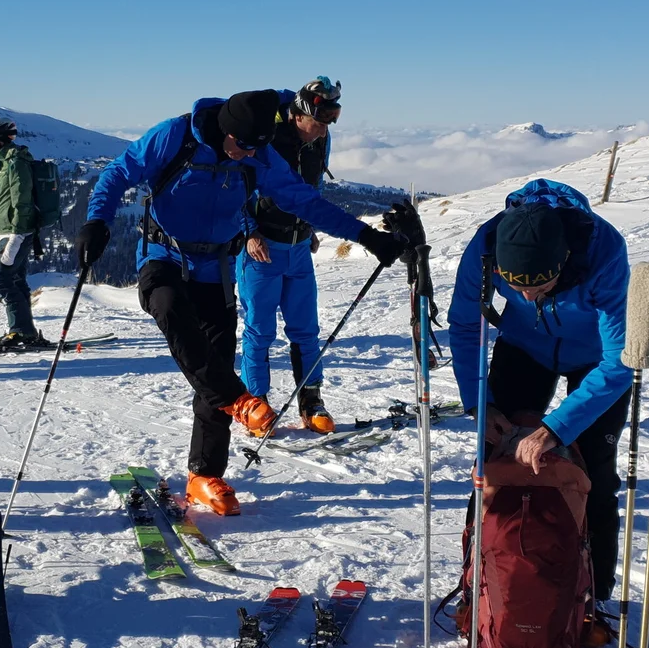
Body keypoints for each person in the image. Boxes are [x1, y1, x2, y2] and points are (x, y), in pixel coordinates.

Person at [78, 89, 406, 516]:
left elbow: (305, 201)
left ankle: (204, 475)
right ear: (224, 129)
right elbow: (118, 172)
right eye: (243, 145)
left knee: (213, 360)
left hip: (216, 267)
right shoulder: (175, 136)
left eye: (256, 147)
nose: (247, 154)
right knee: (170, 310)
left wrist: (366, 235)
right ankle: (240, 400)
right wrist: (97, 221)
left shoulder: (259, 154)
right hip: (164, 255)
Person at [449, 179, 632, 643]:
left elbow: (620, 361)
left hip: (594, 357)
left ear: (563, 262)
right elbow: (465, 323)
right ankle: (481, 583)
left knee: (595, 475)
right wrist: (479, 400)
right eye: (515, 287)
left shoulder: (603, 251)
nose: (527, 297)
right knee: (492, 462)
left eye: (540, 285)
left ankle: (593, 598)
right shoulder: (488, 245)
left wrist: (555, 428)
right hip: (524, 348)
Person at [237, 77, 342, 434]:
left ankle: (311, 400)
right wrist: (248, 231)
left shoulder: (320, 139)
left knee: (306, 331)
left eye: (327, 124)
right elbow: (238, 185)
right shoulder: (265, 138)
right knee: (260, 330)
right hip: (261, 249)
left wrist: (310, 226)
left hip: (298, 248)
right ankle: (256, 403)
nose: (321, 132)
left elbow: (314, 187)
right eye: (318, 123)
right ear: (299, 115)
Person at [0, 116, 48, 349]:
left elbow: (22, 200)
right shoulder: (7, 162)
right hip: (8, 231)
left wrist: (17, 235)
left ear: (0, 138)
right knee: (17, 280)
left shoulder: (15, 163)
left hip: (15, 232)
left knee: (3, 278)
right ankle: (25, 331)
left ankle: (20, 330)